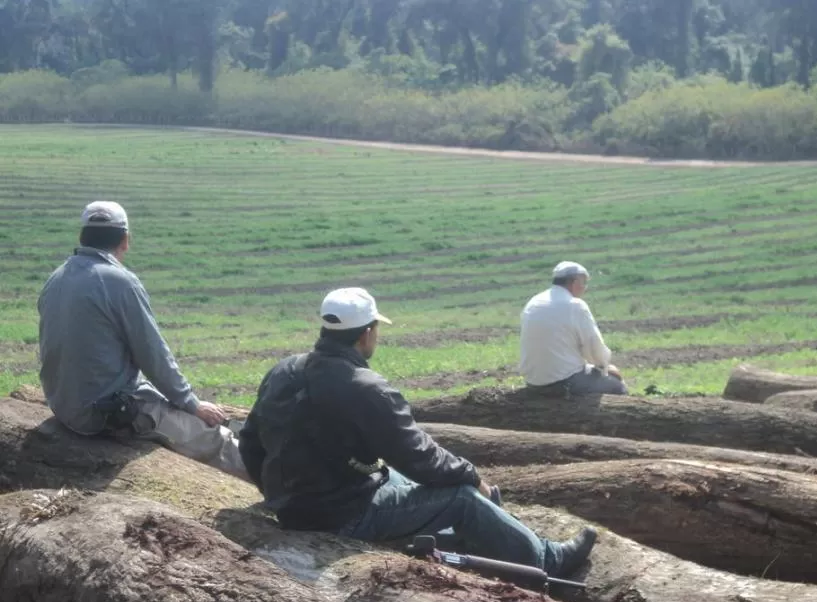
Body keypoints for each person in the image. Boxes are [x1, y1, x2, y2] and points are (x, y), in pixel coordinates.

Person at [239, 287, 597, 577]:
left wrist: (278, 495)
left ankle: (483, 533)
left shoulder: (284, 370)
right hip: (340, 516)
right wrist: (472, 476)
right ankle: (546, 561)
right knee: (461, 497)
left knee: (393, 476)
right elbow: (421, 459)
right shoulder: (366, 387)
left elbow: (251, 443)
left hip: (295, 505)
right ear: (366, 334)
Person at [37, 201, 247, 478]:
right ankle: (289, 492)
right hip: (103, 415)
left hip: (64, 404)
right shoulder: (120, 282)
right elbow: (153, 355)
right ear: (125, 240)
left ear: (81, 237)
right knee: (216, 439)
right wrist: (192, 404)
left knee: (160, 398)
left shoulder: (56, 278)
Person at [520, 260, 628, 395]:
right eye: (584, 283)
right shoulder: (575, 305)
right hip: (563, 382)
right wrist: (605, 367)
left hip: (533, 381)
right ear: (575, 282)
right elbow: (594, 347)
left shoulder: (534, 302)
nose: (584, 288)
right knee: (617, 387)